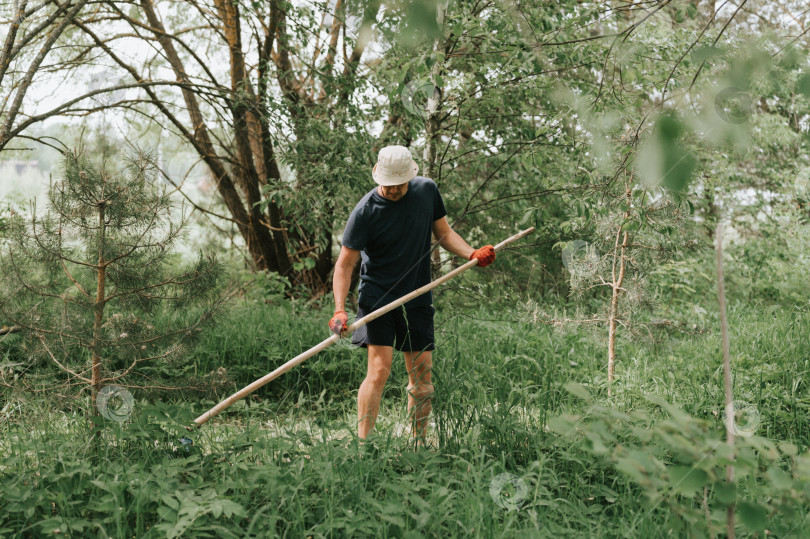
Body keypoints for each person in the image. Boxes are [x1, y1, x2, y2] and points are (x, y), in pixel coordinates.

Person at [329, 145, 495, 443]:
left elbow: (443, 234)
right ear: (379, 177)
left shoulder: (426, 191)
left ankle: (418, 444)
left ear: (411, 177)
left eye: (400, 185)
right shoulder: (365, 211)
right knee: (379, 370)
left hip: (418, 294)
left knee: (422, 376)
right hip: (378, 296)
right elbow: (345, 264)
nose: (394, 191)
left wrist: (471, 253)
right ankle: (364, 444)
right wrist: (340, 309)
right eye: (389, 186)